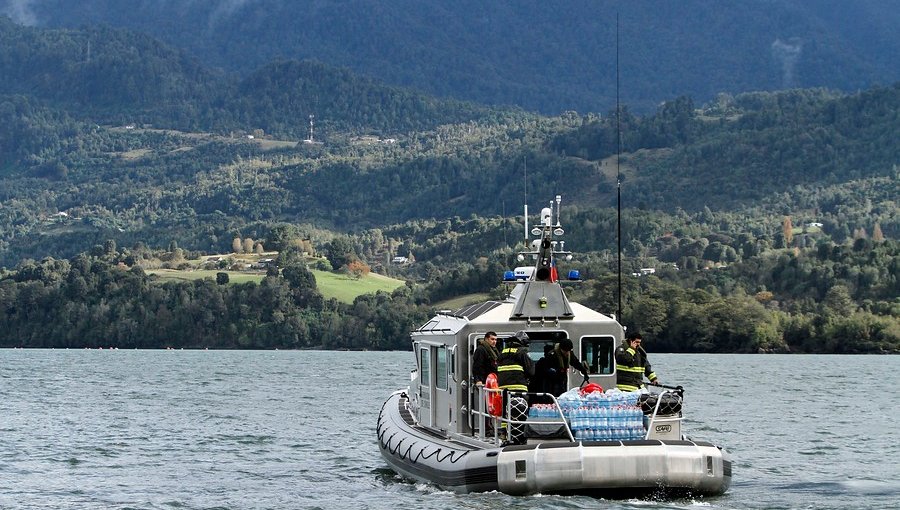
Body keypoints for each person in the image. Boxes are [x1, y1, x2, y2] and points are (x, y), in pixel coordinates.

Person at [496, 331, 534, 444]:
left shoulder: (502, 352)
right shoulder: (522, 352)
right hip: (518, 386)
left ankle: (503, 434)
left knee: (504, 411)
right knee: (520, 410)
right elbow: (531, 371)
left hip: (503, 387)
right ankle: (520, 436)